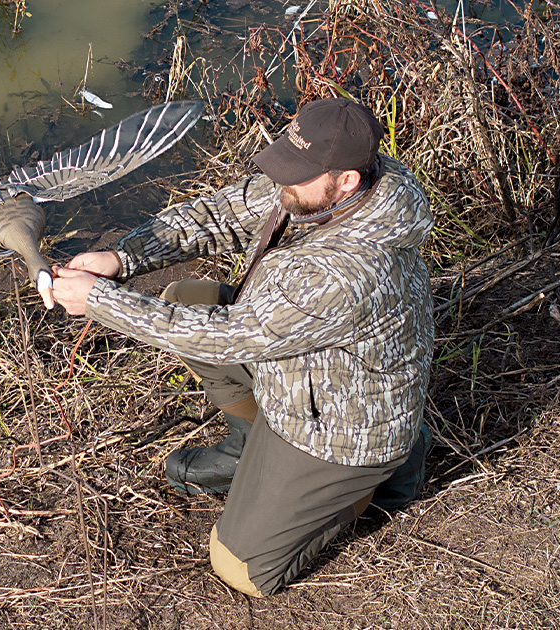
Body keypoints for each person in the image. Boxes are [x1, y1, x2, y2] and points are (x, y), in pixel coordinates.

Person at [50, 98, 434, 597]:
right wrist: (121, 258)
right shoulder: (332, 187)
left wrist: (100, 300)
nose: (283, 183)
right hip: (311, 371)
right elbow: (219, 214)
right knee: (190, 298)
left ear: (347, 180)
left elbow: (226, 335)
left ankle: (374, 481)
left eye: (297, 175)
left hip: (344, 431)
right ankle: (251, 445)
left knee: (241, 570)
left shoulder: (344, 271)